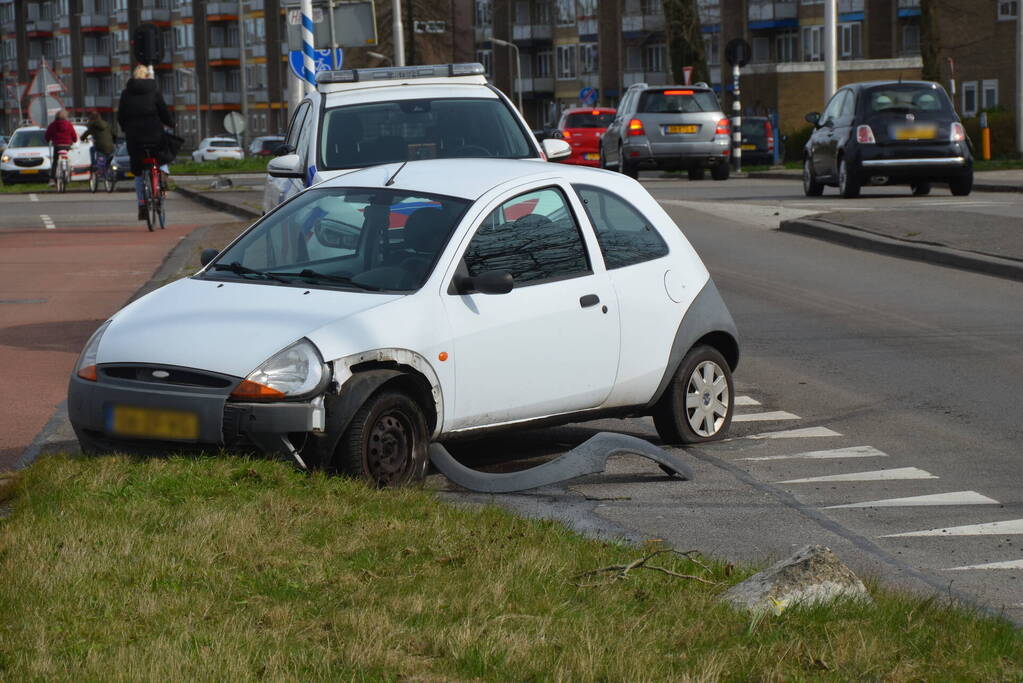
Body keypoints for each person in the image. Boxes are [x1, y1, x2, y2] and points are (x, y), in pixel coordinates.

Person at [117, 64, 174, 221]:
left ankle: (142, 204)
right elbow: (163, 111)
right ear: (147, 75)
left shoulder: (125, 94)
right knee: (162, 154)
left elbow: (121, 116)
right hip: (155, 133)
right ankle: (162, 175)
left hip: (135, 138)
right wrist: (171, 123)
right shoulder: (154, 90)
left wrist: (125, 128)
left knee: (138, 170)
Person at [44, 109, 78, 187]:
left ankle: (52, 179)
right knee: (67, 157)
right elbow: (74, 136)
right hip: (67, 145)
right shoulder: (69, 124)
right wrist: (74, 140)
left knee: (55, 161)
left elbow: (47, 136)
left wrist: (48, 140)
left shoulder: (52, 125)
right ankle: (69, 171)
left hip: (57, 146)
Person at [80, 110, 115, 175]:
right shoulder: (107, 124)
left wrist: (82, 139)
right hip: (111, 147)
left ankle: (94, 165)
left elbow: (85, 134)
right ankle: (107, 168)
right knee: (107, 157)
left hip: (100, 146)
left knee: (92, 149)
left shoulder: (93, 125)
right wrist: (114, 142)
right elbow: (114, 134)